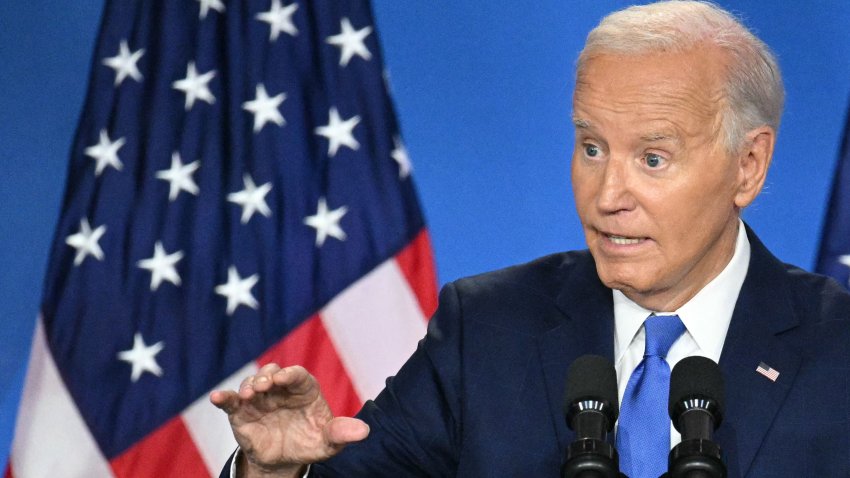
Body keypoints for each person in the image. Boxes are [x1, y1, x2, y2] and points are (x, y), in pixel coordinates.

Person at [211, 1, 850, 477]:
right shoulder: (486, 328)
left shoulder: (838, 349)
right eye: (592, 147)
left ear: (749, 165)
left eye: (653, 159)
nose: (607, 195)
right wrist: (273, 472)